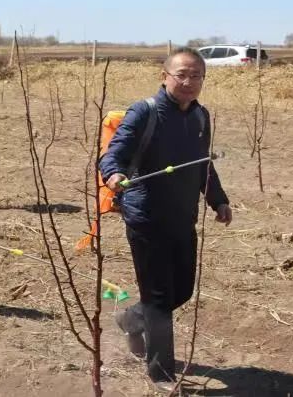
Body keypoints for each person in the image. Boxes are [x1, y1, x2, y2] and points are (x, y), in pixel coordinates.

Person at [99, 47, 232, 392]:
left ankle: (129, 318)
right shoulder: (144, 112)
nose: (189, 82)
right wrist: (113, 176)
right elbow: (112, 156)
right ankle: (162, 374)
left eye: (196, 76)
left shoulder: (200, 116)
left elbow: (203, 164)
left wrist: (218, 200)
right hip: (146, 218)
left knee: (181, 291)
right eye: (181, 75)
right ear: (165, 76)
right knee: (159, 299)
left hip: (182, 218)